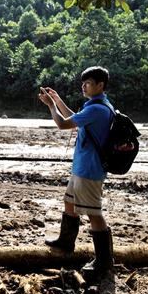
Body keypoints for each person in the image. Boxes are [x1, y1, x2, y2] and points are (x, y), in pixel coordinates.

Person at [38, 66, 115, 277]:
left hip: (89, 170)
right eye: (83, 83)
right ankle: (66, 241)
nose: (84, 86)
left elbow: (63, 124)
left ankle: (104, 261)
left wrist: (51, 106)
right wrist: (59, 101)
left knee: (94, 213)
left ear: (100, 85)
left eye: (88, 83)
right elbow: (75, 119)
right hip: (82, 168)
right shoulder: (99, 106)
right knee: (69, 202)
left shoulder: (97, 109)